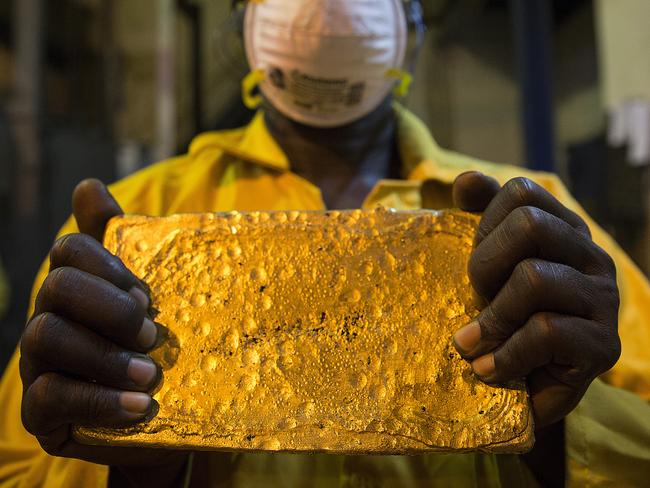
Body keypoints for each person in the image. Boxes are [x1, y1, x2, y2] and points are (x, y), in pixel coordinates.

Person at [1, 0, 650, 486]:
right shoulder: (131, 224)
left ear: (414, 27)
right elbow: (20, 468)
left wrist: (561, 425)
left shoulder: (536, 225)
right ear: (242, 20)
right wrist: (129, 465)